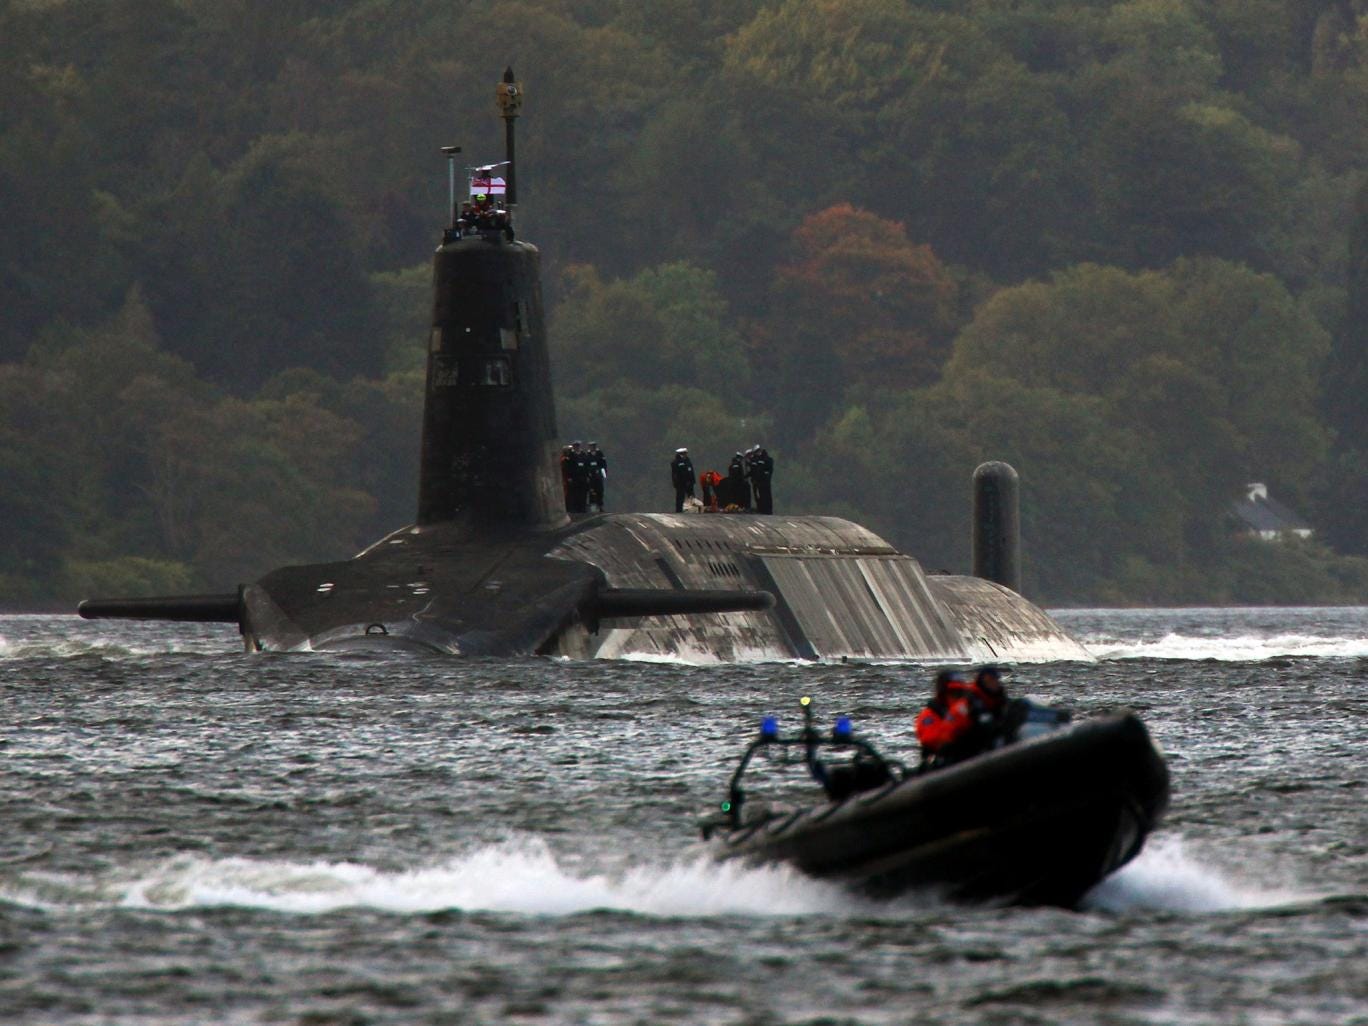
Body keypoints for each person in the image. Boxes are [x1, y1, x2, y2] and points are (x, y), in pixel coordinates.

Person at [915, 670, 978, 768]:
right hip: (943, 766)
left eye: (960, 693)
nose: (957, 698)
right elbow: (931, 740)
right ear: (943, 694)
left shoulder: (971, 710)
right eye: (953, 693)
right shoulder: (928, 715)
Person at [748, 445, 774, 514]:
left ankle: (766, 510)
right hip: (760, 481)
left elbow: (764, 470)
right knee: (762, 496)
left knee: (765, 496)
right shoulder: (759, 459)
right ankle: (764, 509)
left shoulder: (764, 459)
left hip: (763, 481)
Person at [671, 448, 695, 512]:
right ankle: (679, 510)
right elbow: (675, 474)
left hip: (689, 482)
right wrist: (676, 483)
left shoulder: (688, 461)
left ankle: (692, 510)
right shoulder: (676, 462)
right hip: (680, 483)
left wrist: (692, 481)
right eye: (684, 453)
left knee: (691, 496)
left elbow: (691, 471)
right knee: (680, 497)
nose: (685, 455)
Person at [587, 442, 607, 511]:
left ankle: (600, 506)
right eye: (591, 446)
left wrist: (604, 474)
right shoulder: (588, 455)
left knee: (600, 491)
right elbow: (586, 465)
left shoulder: (599, 454)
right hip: (591, 477)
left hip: (598, 476)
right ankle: (593, 507)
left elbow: (604, 465)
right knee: (592, 491)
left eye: (594, 446)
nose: (593, 447)